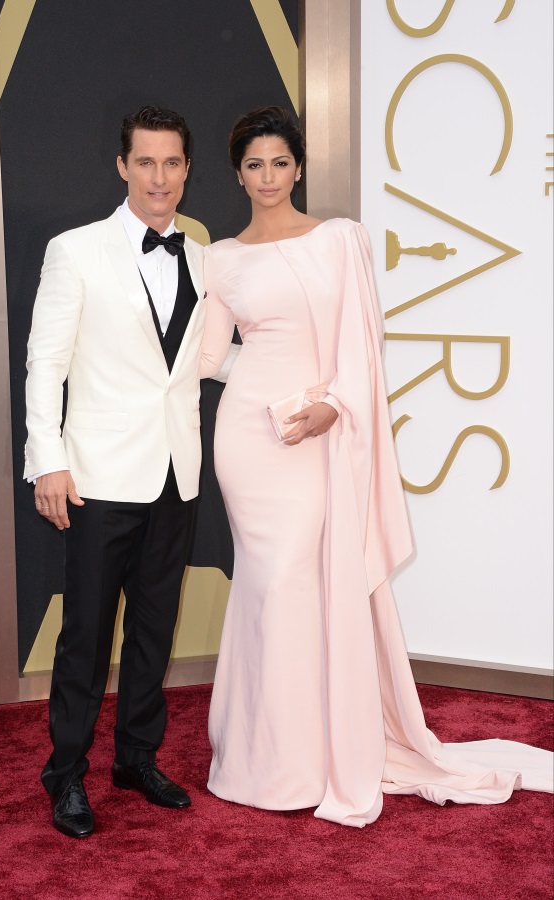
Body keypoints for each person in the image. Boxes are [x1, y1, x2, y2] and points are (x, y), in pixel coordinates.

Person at [200, 106, 553, 827]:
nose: (268, 177)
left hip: (321, 432)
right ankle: (262, 758)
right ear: (236, 174)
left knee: (301, 582)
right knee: (267, 588)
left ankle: (312, 755)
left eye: (279, 162)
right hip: (251, 439)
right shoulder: (222, 258)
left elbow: (366, 343)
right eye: (254, 165)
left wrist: (332, 403)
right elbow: (209, 357)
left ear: (299, 167)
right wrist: (257, 382)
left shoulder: (340, 238)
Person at [25, 106, 205, 838]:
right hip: (96, 477)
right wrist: (48, 460)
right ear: (123, 166)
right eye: (146, 162)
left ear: (187, 170)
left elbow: (207, 358)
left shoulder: (203, 255)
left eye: (172, 163)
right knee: (86, 637)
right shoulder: (75, 250)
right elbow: (46, 362)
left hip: (175, 474)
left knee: (154, 631)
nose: (160, 177)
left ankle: (136, 757)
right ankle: (66, 774)